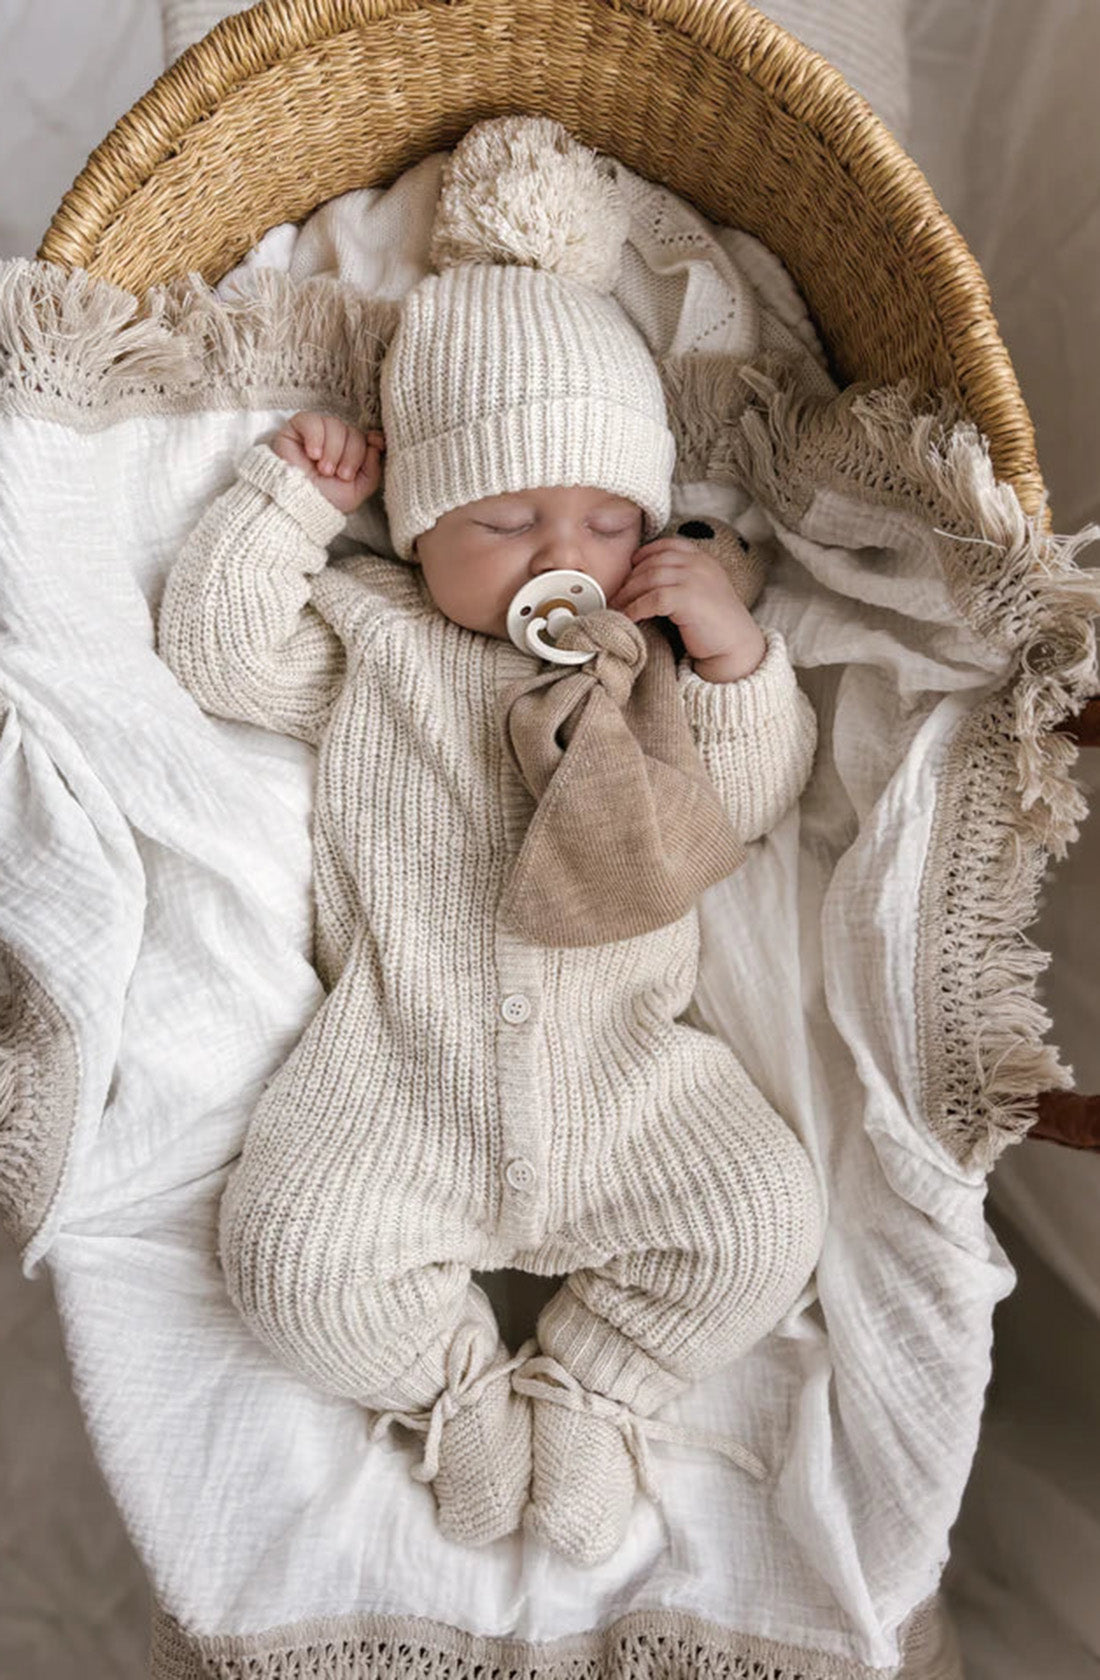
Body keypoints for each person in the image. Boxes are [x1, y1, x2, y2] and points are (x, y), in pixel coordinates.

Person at [156, 114, 825, 1568]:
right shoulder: (374, 637)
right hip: (397, 1079)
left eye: (603, 516)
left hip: (628, 1077)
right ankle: (459, 1397)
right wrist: (287, 502)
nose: (563, 556)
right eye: (508, 516)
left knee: (764, 1222)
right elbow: (219, 653)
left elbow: (752, 795)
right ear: (416, 524)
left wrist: (732, 655)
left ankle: (591, 1387)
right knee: (289, 1260)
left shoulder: (643, 656)